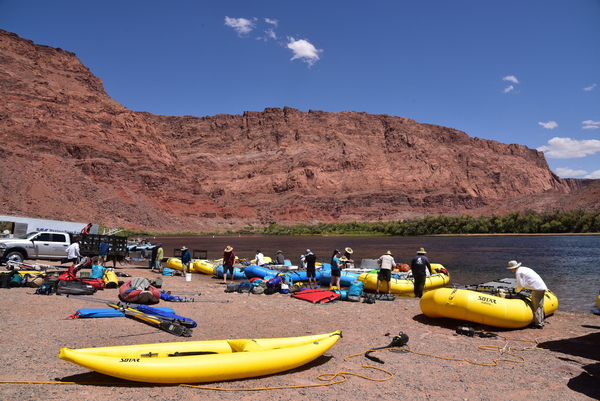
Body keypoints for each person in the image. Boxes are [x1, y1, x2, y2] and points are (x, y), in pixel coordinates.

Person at [507, 260, 548, 329]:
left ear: (513, 268)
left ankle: (538, 324)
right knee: (540, 305)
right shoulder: (524, 269)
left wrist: (516, 291)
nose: (511, 270)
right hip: (541, 287)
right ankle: (541, 320)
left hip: (537, 288)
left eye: (511, 268)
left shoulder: (518, 272)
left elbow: (520, 284)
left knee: (536, 306)